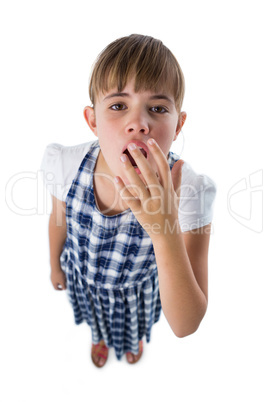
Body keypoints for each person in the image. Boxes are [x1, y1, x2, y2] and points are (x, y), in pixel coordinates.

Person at [41, 34, 216, 368]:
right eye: (118, 106)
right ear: (93, 120)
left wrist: (165, 230)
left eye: (158, 108)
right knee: (96, 319)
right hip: (86, 281)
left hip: (137, 291)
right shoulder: (64, 164)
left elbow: (185, 324)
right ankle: (100, 338)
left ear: (178, 125)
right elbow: (58, 219)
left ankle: (131, 338)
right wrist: (54, 264)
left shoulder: (190, 191)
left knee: (133, 323)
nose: (139, 123)